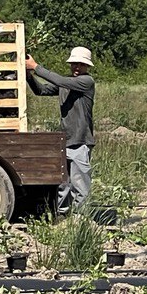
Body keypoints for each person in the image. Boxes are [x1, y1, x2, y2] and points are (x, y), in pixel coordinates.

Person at [26, 46, 95, 210]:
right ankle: (63, 216)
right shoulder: (67, 83)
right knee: (64, 184)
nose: (77, 67)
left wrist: (35, 67)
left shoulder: (86, 82)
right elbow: (41, 90)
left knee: (80, 184)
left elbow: (61, 81)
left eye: (80, 64)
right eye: (74, 64)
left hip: (80, 141)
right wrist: (29, 76)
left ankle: (82, 219)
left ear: (87, 67)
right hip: (66, 141)